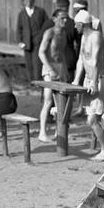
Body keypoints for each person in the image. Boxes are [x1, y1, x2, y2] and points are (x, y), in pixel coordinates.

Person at [72, 10, 104, 161]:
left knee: (95, 118)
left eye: (76, 25)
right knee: (93, 117)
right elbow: (81, 60)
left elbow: (95, 61)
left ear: (82, 24)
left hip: (100, 79)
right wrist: (77, 80)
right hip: (89, 80)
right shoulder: (84, 37)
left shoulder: (96, 36)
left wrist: (95, 82)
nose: (75, 27)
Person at [38, 9, 70, 142]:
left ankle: (59, 132)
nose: (65, 21)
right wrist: (50, 69)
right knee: (48, 100)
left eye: (66, 18)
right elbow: (41, 53)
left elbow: (61, 52)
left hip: (60, 67)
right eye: (62, 18)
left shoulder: (64, 32)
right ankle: (42, 132)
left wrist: (65, 69)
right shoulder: (49, 32)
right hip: (48, 67)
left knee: (61, 102)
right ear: (54, 19)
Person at [16, 0, 50, 83]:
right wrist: (20, 41)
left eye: (30, 0)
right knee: (29, 63)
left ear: (33, 1)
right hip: (26, 42)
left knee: (37, 62)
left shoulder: (40, 11)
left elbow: (47, 24)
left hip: (38, 41)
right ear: (23, 2)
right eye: (26, 1)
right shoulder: (22, 13)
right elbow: (19, 28)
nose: (28, 2)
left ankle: (38, 81)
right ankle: (31, 82)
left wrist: (42, 36)